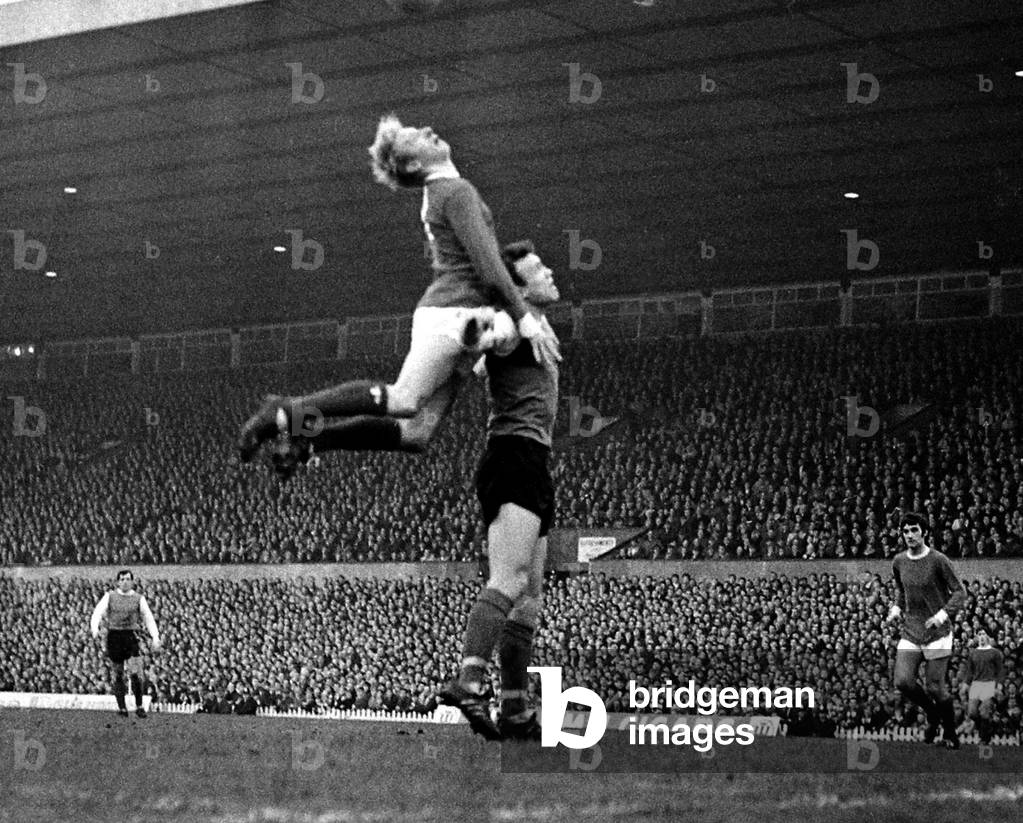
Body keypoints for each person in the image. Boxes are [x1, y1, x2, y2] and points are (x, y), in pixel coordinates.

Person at [238, 114, 559, 469]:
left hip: (462, 313)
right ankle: (285, 410)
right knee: (404, 399)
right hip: (452, 312)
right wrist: (525, 320)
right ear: (413, 164)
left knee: (416, 433)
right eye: (415, 136)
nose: (428, 129)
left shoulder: (444, 192)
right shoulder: (456, 191)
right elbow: (489, 268)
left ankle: (313, 438)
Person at [438, 240, 559, 741]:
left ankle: (515, 710)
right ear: (518, 289)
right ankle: (468, 681)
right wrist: (477, 334)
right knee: (509, 579)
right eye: (538, 269)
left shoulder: (536, 325)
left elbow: (487, 363)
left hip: (532, 461)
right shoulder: (513, 322)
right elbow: (487, 335)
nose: (549, 271)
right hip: (513, 458)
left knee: (528, 599)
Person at [886, 512, 967, 748]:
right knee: (903, 681)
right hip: (912, 629)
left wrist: (941, 615)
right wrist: (896, 608)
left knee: (935, 687)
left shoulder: (939, 560)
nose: (910, 535)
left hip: (937, 633)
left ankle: (950, 733)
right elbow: (901, 591)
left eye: (914, 530)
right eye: (906, 531)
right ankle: (932, 714)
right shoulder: (899, 561)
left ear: (925, 533)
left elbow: (960, 592)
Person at [90, 569, 162, 718]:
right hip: (114, 636)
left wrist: (155, 637)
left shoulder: (138, 598)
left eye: (128, 579)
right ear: (118, 582)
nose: (125, 582)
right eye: (122, 579)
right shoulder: (110, 596)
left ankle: (139, 706)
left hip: (130, 635)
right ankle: (122, 708)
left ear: (132, 581)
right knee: (118, 674)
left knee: (135, 672)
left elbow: (148, 617)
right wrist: (95, 630)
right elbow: (97, 612)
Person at [958, 629, 1005, 744]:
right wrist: (965, 684)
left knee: (984, 712)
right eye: (980, 634)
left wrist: (999, 685)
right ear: (977, 637)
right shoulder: (973, 653)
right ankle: (988, 728)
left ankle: (984, 738)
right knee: (972, 712)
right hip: (976, 684)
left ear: (988, 637)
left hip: (989, 683)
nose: (982, 636)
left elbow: (1000, 670)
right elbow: (970, 671)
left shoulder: (995, 653)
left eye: (984, 634)